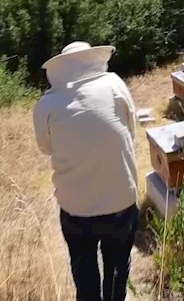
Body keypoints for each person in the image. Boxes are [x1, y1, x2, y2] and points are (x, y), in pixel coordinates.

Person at [34, 41, 139, 301]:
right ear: (93, 60)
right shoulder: (115, 85)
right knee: (116, 276)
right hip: (120, 202)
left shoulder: (46, 105)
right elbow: (130, 131)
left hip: (76, 209)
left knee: (86, 280)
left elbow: (46, 148)